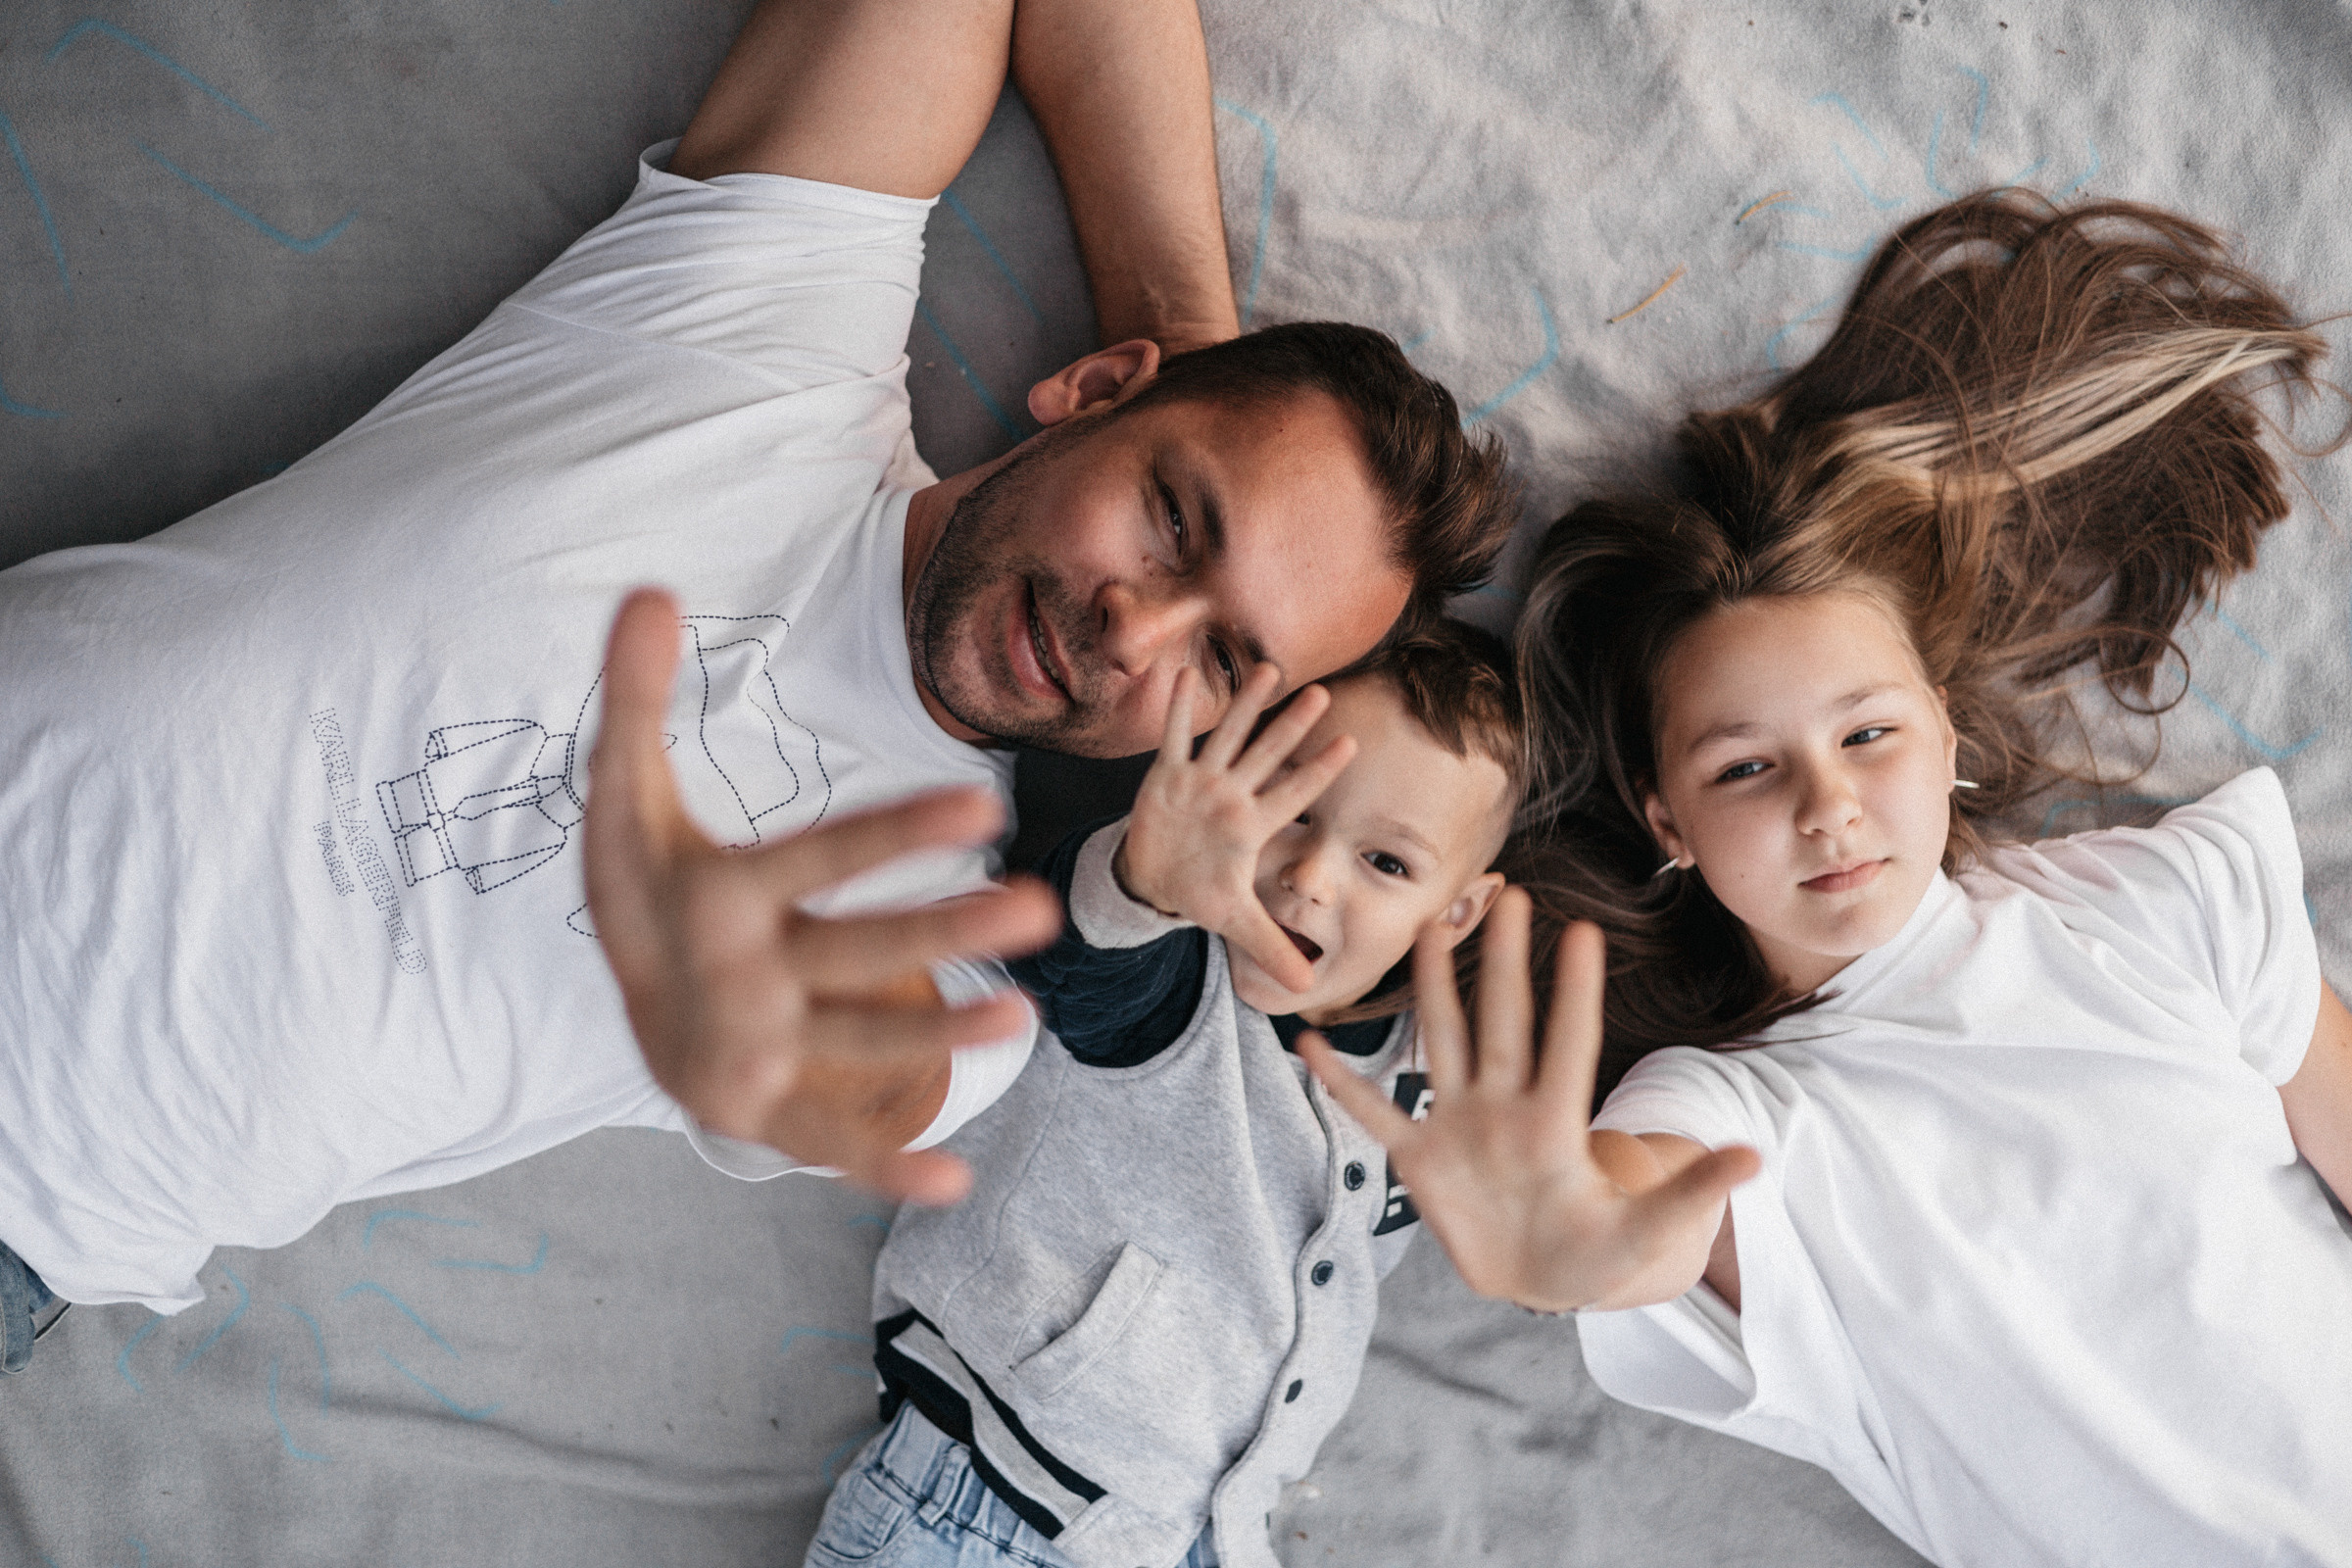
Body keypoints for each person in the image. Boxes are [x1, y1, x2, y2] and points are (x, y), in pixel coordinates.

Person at [0, 0, 1514, 1359]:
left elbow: (857, 1088)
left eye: (1226, 659)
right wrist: (1190, 341)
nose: (1137, 633)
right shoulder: (766, 332)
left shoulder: (961, 932)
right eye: (1173, 516)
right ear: (1096, 391)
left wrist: (754, 1044)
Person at [1306, 192, 2352, 1567]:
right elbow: (1631, 1218)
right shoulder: (1736, 1109)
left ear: (1949, 737)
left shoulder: (2162, 906)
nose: (1828, 808)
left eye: (1869, 735)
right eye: (1746, 769)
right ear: (1664, 816)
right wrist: (1552, 1244)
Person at [806, 623, 1525, 1568]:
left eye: (1385, 864)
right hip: (991, 1495)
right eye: (1291, 807)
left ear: (1457, 912)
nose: (1309, 878)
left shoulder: (1431, 1066)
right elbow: (1082, 952)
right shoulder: (1175, 982)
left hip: (1193, 1538)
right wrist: (1149, 874)